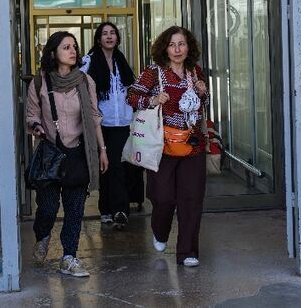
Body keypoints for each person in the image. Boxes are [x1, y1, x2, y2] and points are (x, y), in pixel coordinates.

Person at [25, 31, 109, 277]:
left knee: (74, 211)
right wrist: (36, 127)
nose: (73, 51)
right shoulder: (39, 83)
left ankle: (69, 257)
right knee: (48, 209)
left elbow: (94, 118)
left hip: (78, 154)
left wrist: (102, 150)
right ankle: (42, 235)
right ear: (53, 53)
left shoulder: (85, 81)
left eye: (74, 47)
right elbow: (31, 115)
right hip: (51, 155)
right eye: (66, 47)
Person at [127, 25, 209, 267]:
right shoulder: (154, 72)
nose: (177, 49)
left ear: (189, 47)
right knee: (162, 198)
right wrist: (152, 99)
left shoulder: (196, 71)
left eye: (181, 44)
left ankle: (188, 252)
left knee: (192, 199)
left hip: (192, 145)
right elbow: (131, 96)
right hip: (161, 146)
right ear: (164, 47)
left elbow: (200, 104)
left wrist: (203, 92)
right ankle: (160, 231)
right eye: (172, 44)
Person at [81, 22, 142, 230]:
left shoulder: (121, 61)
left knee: (117, 165)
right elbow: (78, 84)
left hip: (121, 122)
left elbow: (131, 89)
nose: (109, 36)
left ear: (117, 38)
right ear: (98, 39)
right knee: (105, 166)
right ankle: (107, 209)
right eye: (104, 33)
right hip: (100, 123)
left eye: (112, 33)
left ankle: (119, 210)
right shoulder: (89, 61)